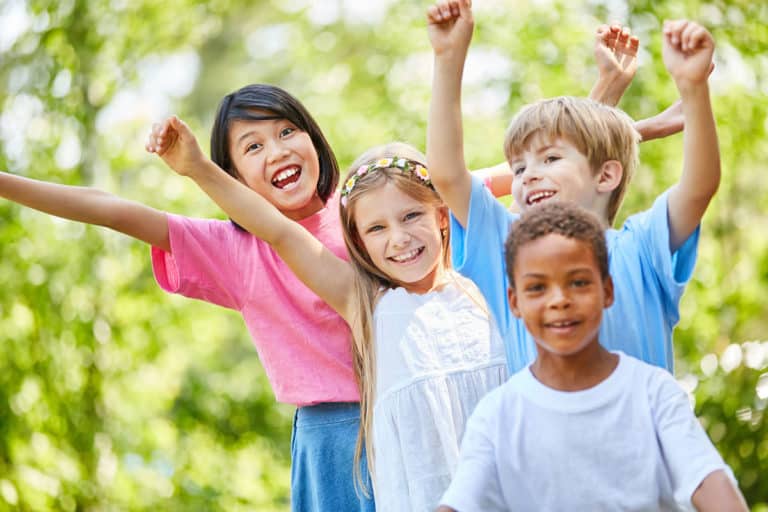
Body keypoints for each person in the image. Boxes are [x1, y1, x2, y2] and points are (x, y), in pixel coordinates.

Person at [0, 84, 374, 512]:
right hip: (330, 440)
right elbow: (110, 208)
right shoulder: (236, 251)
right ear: (233, 181)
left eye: (288, 132)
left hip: (408, 405)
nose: (277, 151)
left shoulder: (366, 209)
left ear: (314, 137)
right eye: (253, 146)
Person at [145, 121, 507, 511]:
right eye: (378, 228)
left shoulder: (485, 289)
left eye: (411, 217)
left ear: (441, 215)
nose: (399, 238)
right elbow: (279, 232)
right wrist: (198, 167)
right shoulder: (373, 310)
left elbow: (552, 167)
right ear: (360, 242)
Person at [427, 0, 720, 374]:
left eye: (550, 160)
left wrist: (694, 90)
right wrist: (448, 59)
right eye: (519, 168)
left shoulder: (643, 247)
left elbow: (698, 188)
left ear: (606, 176)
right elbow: (447, 174)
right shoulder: (508, 249)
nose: (528, 175)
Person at [436, 202, 748, 511]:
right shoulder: (497, 415)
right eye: (537, 288)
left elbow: (708, 480)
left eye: (579, 282)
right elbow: (461, 502)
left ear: (608, 290)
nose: (560, 300)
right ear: (514, 302)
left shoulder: (653, 393)